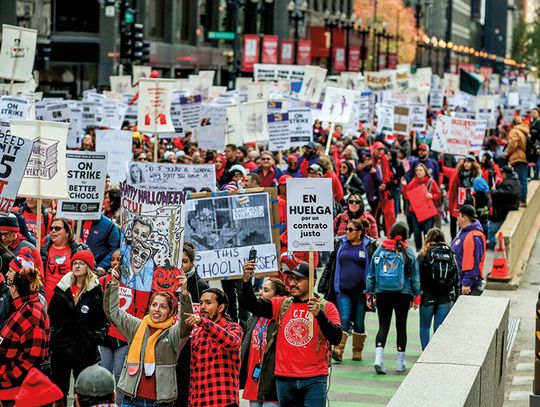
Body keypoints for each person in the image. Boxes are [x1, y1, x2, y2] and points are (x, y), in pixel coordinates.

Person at [242, 262, 342, 407]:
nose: (292, 284)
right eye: (291, 279)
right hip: (284, 378)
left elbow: (336, 338)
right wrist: (246, 280)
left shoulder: (326, 307)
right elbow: (253, 306)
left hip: (314, 378)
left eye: (298, 280)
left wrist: (320, 316)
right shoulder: (282, 304)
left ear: (312, 281)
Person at [104, 267, 193, 406]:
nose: (157, 309)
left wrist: (185, 294)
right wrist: (114, 284)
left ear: (171, 312)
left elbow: (187, 323)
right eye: (154, 305)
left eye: (163, 307)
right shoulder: (137, 326)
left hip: (160, 403)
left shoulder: (173, 333)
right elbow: (113, 312)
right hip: (131, 400)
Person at [48, 250, 109, 402]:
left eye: (81, 263)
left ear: (88, 267)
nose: (77, 266)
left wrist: (96, 337)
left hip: (85, 348)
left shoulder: (96, 292)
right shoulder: (62, 288)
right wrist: (53, 337)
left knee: (82, 392)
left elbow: (104, 320)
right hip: (62, 347)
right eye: (74, 263)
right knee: (58, 391)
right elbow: (52, 316)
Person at [365, 222, 421, 374]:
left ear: (389, 233)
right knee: (401, 326)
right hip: (403, 294)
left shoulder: (380, 250)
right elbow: (415, 277)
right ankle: (400, 362)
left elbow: (371, 273)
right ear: (406, 236)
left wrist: (369, 292)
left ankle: (378, 358)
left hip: (382, 292)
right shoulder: (408, 252)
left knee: (383, 326)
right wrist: (416, 295)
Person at [320, 219, 377, 362]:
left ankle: (357, 350)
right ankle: (339, 349)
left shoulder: (368, 246)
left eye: (351, 230)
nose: (347, 232)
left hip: (361, 292)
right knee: (343, 319)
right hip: (342, 290)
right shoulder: (340, 243)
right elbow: (330, 265)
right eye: (346, 229)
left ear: (359, 232)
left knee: (359, 322)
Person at [0, 262, 49, 405]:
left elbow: (31, 358)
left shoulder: (31, 313)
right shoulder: (22, 307)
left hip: (19, 390)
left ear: (14, 289)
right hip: (12, 388)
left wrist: (7, 377)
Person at [185, 288, 243, 407]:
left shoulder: (233, 328)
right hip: (200, 402)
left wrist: (203, 323)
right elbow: (194, 375)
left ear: (221, 307)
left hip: (223, 401)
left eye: (208, 303)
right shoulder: (197, 334)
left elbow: (232, 342)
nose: (202, 307)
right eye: (201, 303)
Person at [240, 278, 289, 407]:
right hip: (254, 379)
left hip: (272, 381)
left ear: (278, 296)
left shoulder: (282, 318)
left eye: (266, 290)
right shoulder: (254, 318)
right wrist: (245, 280)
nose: (261, 293)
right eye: (261, 289)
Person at [175, 242, 209, 407]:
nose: (180, 265)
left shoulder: (201, 285)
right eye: (177, 260)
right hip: (170, 339)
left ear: (191, 263)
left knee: (185, 382)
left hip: (191, 342)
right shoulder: (165, 282)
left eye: (184, 261)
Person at [417, 228, 459, 350]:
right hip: (444, 297)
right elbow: (456, 277)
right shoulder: (449, 254)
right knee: (439, 329)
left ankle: (425, 350)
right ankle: (435, 352)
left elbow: (416, 278)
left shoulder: (423, 255)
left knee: (424, 327)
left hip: (427, 296)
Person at [41, 217, 88, 303]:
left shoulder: (79, 249)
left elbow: (90, 273)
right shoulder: (43, 250)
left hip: (70, 299)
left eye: (57, 228)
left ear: (67, 232)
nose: (53, 231)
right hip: (47, 298)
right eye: (51, 228)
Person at [403, 163, 441, 250]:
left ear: (425, 171)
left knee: (427, 232)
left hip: (427, 212)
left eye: (420, 170)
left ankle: (427, 250)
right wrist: (404, 186)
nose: (418, 172)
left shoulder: (431, 181)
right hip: (415, 212)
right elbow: (406, 196)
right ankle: (418, 250)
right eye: (417, 170)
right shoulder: (413, 182)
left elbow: (438, 194)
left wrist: (432, 196)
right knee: (416, 233)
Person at [450, 205, 486, 296]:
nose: (457, 218)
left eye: (459, 215)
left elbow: (471, 261)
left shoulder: (473, 236)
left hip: (467, 285)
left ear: (465, 218)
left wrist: (467, 283)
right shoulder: (463, 232)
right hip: (459, 280)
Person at [488, 166, 521, 249]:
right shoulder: (514, 181)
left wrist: (494, 192)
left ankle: (492, 243)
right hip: (508, 207)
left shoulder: (509, 183)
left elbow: (504, 194)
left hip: (505, 209)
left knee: (494, 229)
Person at [505, 116, 530, 207]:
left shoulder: (514, 131)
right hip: (524, 156)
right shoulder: (525, 131)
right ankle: (523, 200)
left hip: (517, 157)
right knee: (523, 179)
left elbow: (513, 144)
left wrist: (507, 153)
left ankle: (520, 200)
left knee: (519, 180)